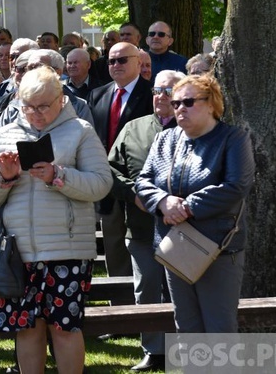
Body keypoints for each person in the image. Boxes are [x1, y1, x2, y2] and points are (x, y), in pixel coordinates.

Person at [0, 66, 112, 374]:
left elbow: (101, 184)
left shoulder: (80, 130)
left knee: (64, 328)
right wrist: (5, 178)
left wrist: (58, 176)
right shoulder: (5, 133)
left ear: (61, 98)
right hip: (18, 252)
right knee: (26, 328)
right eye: (28, 106)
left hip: (67, 250)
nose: (35, 114)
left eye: (43, 106)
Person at [136, 75, 255, 333]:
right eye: (175, 102)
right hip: (174, 246)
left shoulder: (233, 139)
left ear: (211, 104)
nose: (179, 108)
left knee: (219, 328)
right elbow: (143, 182)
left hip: (217, 248)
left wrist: (187, 207)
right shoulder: (164, 140)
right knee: (187, 327)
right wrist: (163, 201)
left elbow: (236, 185)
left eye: (188, 102)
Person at [108, 70, 186, 371]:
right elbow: (111, 170)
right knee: (147, 289)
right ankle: (154, 351)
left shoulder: (193, 129)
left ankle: (183, 349)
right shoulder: (133, 128)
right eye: (156, 90)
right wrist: (132, 195)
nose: (160, 96)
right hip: (141, 228)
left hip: (184, 229)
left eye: (168, 91)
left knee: (180, 291)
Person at [88, 42, 153, 279]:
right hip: (107, 184)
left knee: (142, 252)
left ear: (138, 61)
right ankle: (119, 308)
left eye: (122, 60)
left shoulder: (152, 93)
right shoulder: (98, 94)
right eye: (111, 60)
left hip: (139, 186)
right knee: (114, 250)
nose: (115, 65)